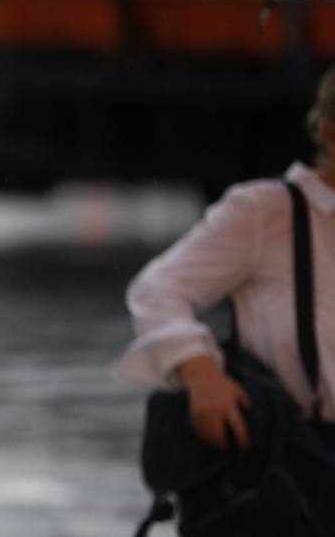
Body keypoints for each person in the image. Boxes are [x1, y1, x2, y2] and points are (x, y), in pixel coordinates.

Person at [113, 66, 335, 456]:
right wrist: (201, 373)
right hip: (303, 467)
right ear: (332, 136)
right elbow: (158, 289)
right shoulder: (268, 211)